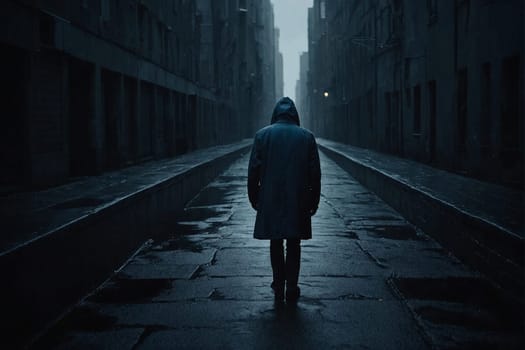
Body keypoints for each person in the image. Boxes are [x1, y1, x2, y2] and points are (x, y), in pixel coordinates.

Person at [248, 97, 321, 303]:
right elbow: (315, 174)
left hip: (270, 197)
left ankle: (278, 283)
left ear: (275, 114)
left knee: (276, 241)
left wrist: (255, 198)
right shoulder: (307, 137)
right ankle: (292, 285)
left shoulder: (262, 136)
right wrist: (313, 201)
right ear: (294, 115)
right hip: (298, 198)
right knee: (294, 242)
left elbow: (254, 171)